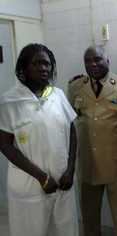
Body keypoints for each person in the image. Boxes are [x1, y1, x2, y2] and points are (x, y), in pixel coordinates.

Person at [0, 43, 79, 236]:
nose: (44, 68)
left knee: (65, 230)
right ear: (24, 68)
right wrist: (41, 177)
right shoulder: (9, 102)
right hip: (30, 187)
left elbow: (72, 132)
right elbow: (4, 145)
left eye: (47, 63)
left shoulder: (58, 96)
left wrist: (70, 170)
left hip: (62, 183)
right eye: (37, 63)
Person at [68, 45, 117, 236]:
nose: (92, 64)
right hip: (88, 165)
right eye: (88, 61)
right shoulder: (74, 88)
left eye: (97, 59)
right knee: (89, 219)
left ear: (107, 60)